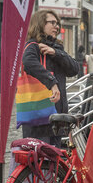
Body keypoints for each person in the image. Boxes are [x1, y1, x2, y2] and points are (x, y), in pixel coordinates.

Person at [21, 9, 79, 147]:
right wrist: (52, 83)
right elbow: (29, 63)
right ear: (40, 24)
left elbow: (74, 69)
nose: (57, 26)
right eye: (52, 23)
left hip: (57, 116)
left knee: (55, 161)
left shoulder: (56, 48)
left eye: (58, 23)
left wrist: (56, 53)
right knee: (41, 160)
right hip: (38, 117)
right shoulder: (32, 46)